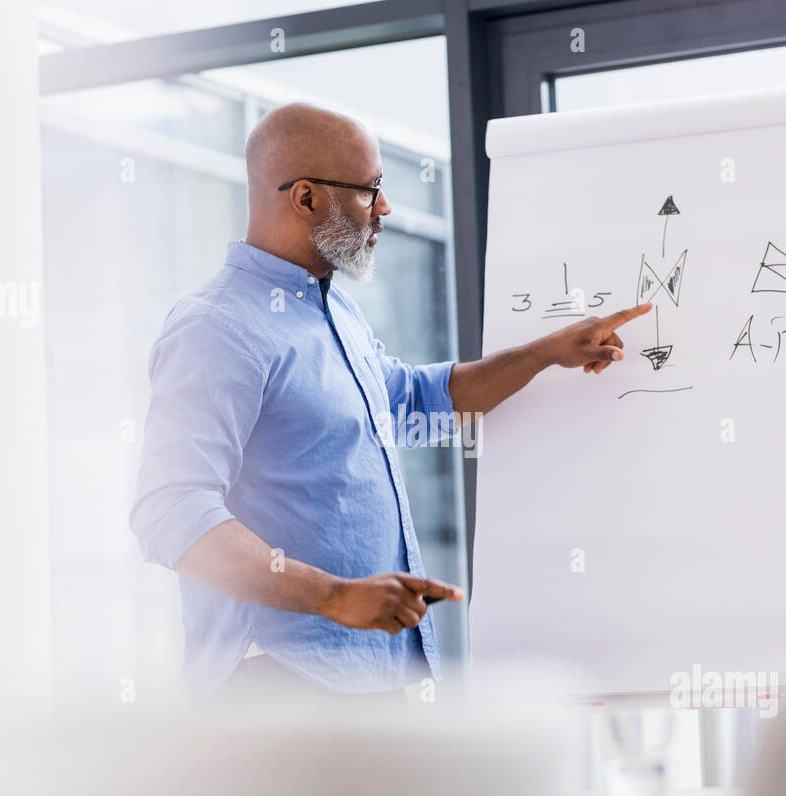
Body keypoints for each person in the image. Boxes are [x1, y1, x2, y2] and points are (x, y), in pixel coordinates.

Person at [130, 102, 649, 704]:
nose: (385, 209)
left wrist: (547, 352)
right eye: (370, 190)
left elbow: (413, 402)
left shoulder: (333, 309)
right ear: (305, 199)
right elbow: (168, 509)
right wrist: (335, 595)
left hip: (371, 675)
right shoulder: (215, 328)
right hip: (278, 687)